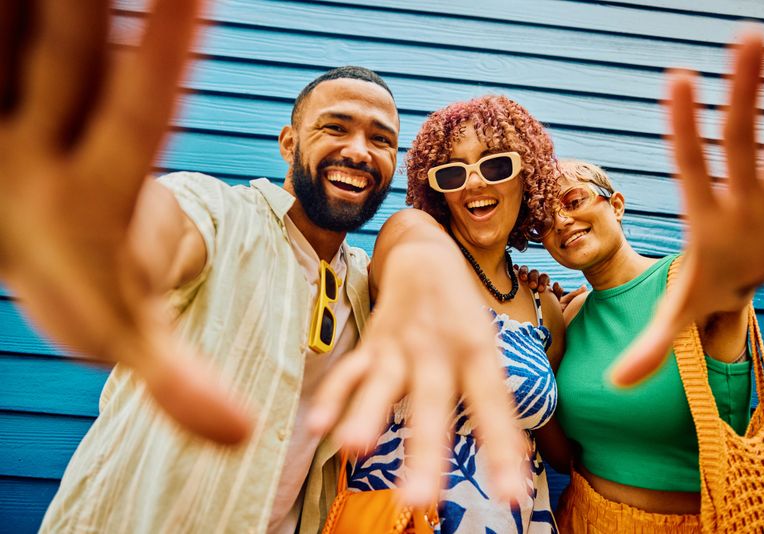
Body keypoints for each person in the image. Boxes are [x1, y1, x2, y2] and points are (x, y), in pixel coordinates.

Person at [0, 2, 527, 532]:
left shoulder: (364, 286)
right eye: (335, 127)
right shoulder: (221, 215)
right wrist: (113, 240)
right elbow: (165, 229)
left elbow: (406, 240)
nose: (359, 150)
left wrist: (427, 251)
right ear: (288, 143)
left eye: (381, 139)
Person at [518, 31, 764, 531]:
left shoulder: (687, 280)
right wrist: (546, 338)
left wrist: (741, 261)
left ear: (617, 204)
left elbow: (727, 288)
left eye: (574, 200)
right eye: (544, 219)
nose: (560, 222)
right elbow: (564, 457)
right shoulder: (573, 313)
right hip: (584, 518)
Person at [341, 95, 566, 533]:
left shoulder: (545, 308)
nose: (474, 183)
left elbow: (559, 449)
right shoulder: (412, 235)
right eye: (453, 173)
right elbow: (410, 242)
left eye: (496, 165)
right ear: (437, 192)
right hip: (404, 516)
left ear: (527, 176)